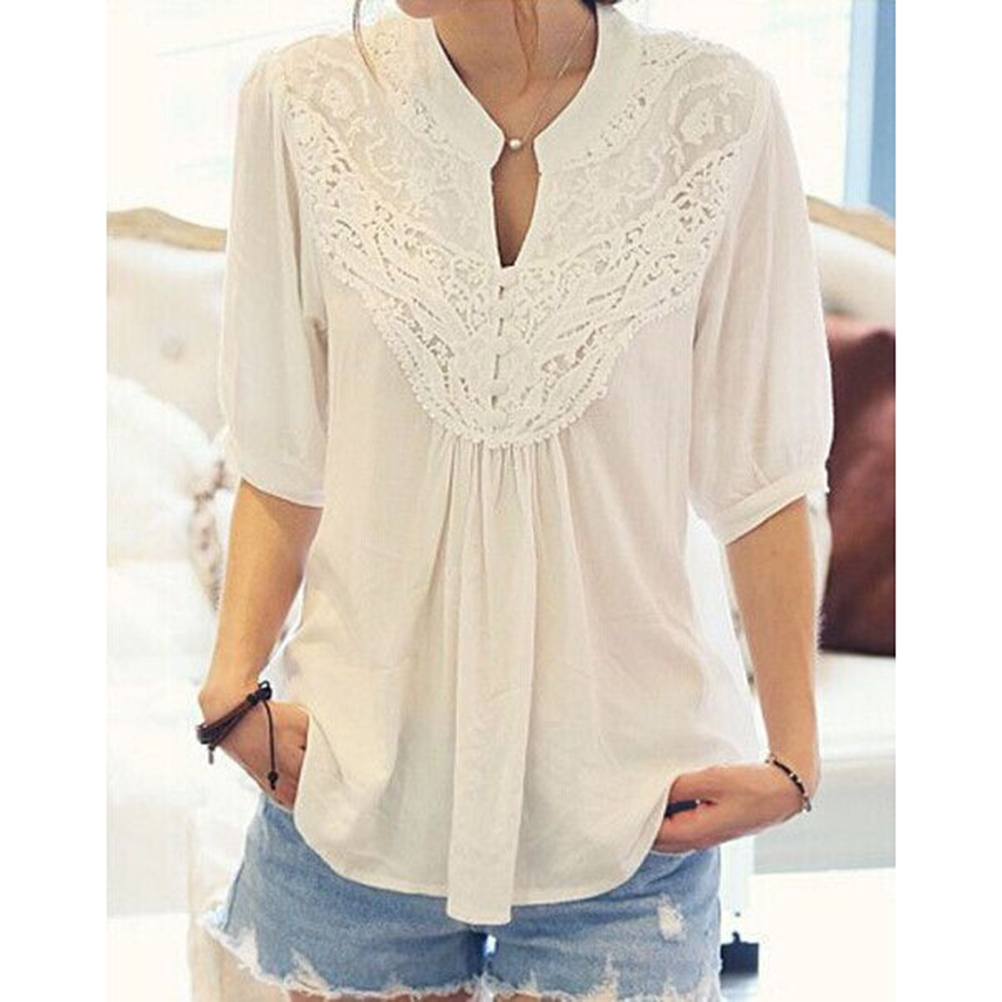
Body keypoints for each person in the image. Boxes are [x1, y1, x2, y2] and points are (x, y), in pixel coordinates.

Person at [195, 0, 834, 998]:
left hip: (632, 814)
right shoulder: (302, 102)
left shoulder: (720, 114)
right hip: (352, 789)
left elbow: (766, 476)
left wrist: (794, 759)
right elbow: (278, 454)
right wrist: (231, 688)